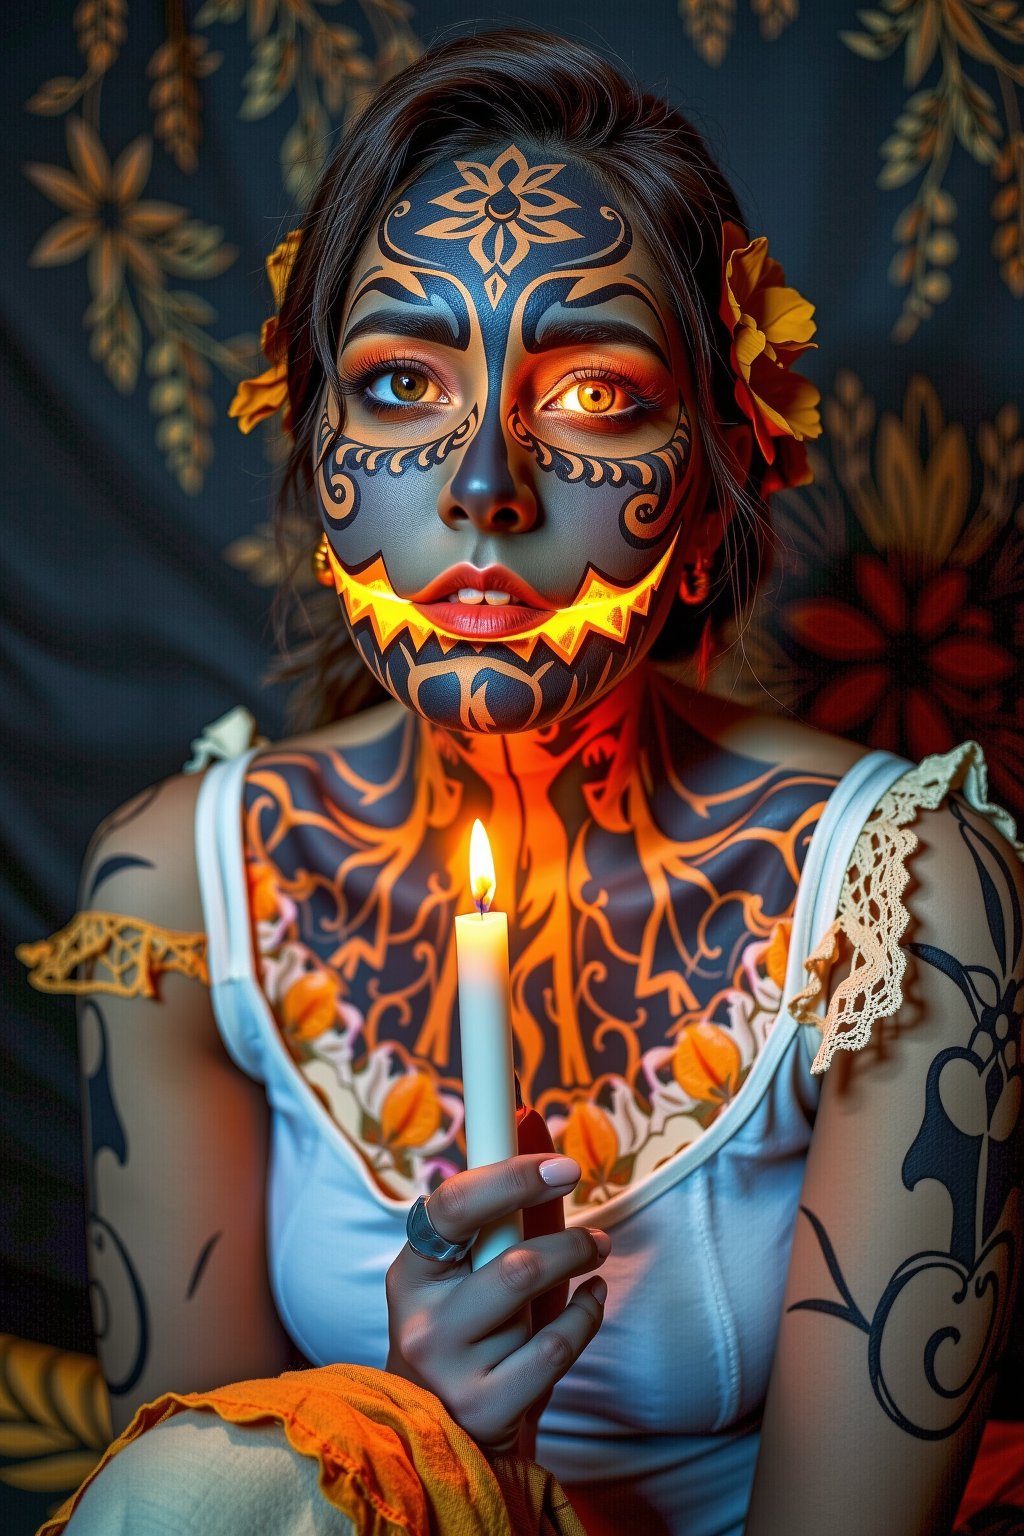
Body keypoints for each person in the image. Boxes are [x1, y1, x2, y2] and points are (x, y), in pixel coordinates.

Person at [21, 24, 1024, 1536]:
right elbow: (184, 1487)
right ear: (316, 437)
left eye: (596, 397)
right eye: (402, 380)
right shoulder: (181, 889)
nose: (485, 482)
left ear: (717, 463)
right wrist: (422, 1435)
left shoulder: (903, 904)